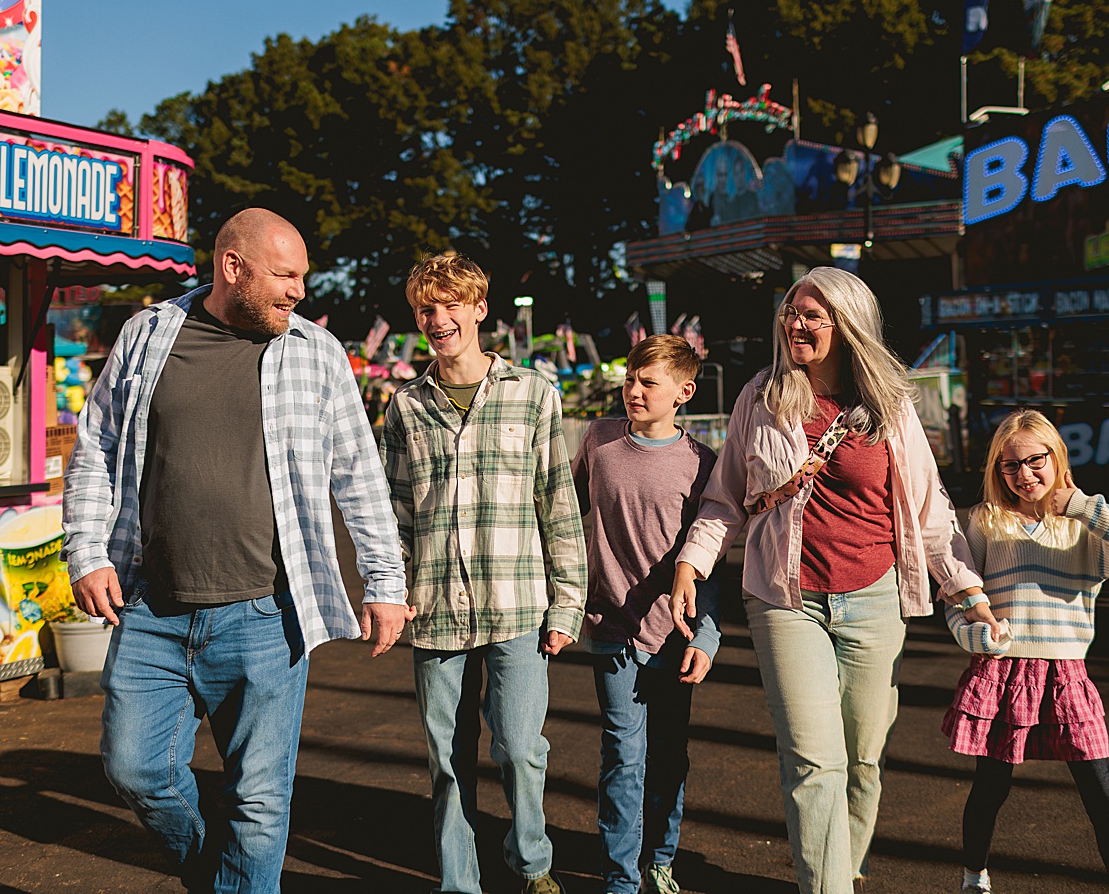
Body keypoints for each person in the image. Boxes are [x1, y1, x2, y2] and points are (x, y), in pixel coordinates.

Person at [62, 208, 411, 894]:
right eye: (285, 275)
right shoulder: (149, 333)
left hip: (266, 618)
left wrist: (385, 583)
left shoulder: (317, 352)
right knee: (136, 770)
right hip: (152, 608)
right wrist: (87, 551)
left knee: (258, 800)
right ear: (232, 267)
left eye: (302, 276)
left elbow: (359, 475)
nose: (299, 291)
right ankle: (216, 875)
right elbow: (97, 446)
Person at [669, 266, 998, 894]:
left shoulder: (890, 403)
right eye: (790, 313)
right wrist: (693, 561)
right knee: (813, 760)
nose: (795, 324)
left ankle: (840, 867)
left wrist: (967, 590)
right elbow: (725, 497)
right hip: (784, 598)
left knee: (863, 759)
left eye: (811, 316)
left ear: (846, 326)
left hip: (876, 598)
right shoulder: (761, 397)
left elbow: (929, 508)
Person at [381, 250, 587, 894]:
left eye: (451, 305)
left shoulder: (533, 393)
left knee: (521, 749)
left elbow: (557, 503)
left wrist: (568, 603)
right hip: (434, 607)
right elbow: (395, 513)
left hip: (517, 603)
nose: (438, 319)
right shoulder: (405, 406)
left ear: (479, 310)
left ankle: (532, 864)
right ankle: (459, 881)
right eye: (426, 309)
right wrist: (390, 589)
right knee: (447, 760)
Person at [943, 409, 1109, 894]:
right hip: (1002, 674)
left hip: (1066, 674)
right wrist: (977, 638)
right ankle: (974, 878)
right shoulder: (984, 522)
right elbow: (957, 597)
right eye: (1010, 465)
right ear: (998, 470)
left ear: (1056, 456)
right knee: (991, 787)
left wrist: (1081, 505)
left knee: (1102, 795)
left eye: (1035, 461)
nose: (1024, 474)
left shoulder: (1083, 528)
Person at [571, 334, 721, 894]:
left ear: (684, 392)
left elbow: (711, 562)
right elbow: (562, 512)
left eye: (648, 382)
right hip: (611, 627)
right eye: (630, 379)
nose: (633, 390)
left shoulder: (701, 464)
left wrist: (706, 637)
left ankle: (660, 859)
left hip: (674, 636)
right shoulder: (599, 440)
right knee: (622, 756)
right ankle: (620, 878)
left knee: (668, 757)